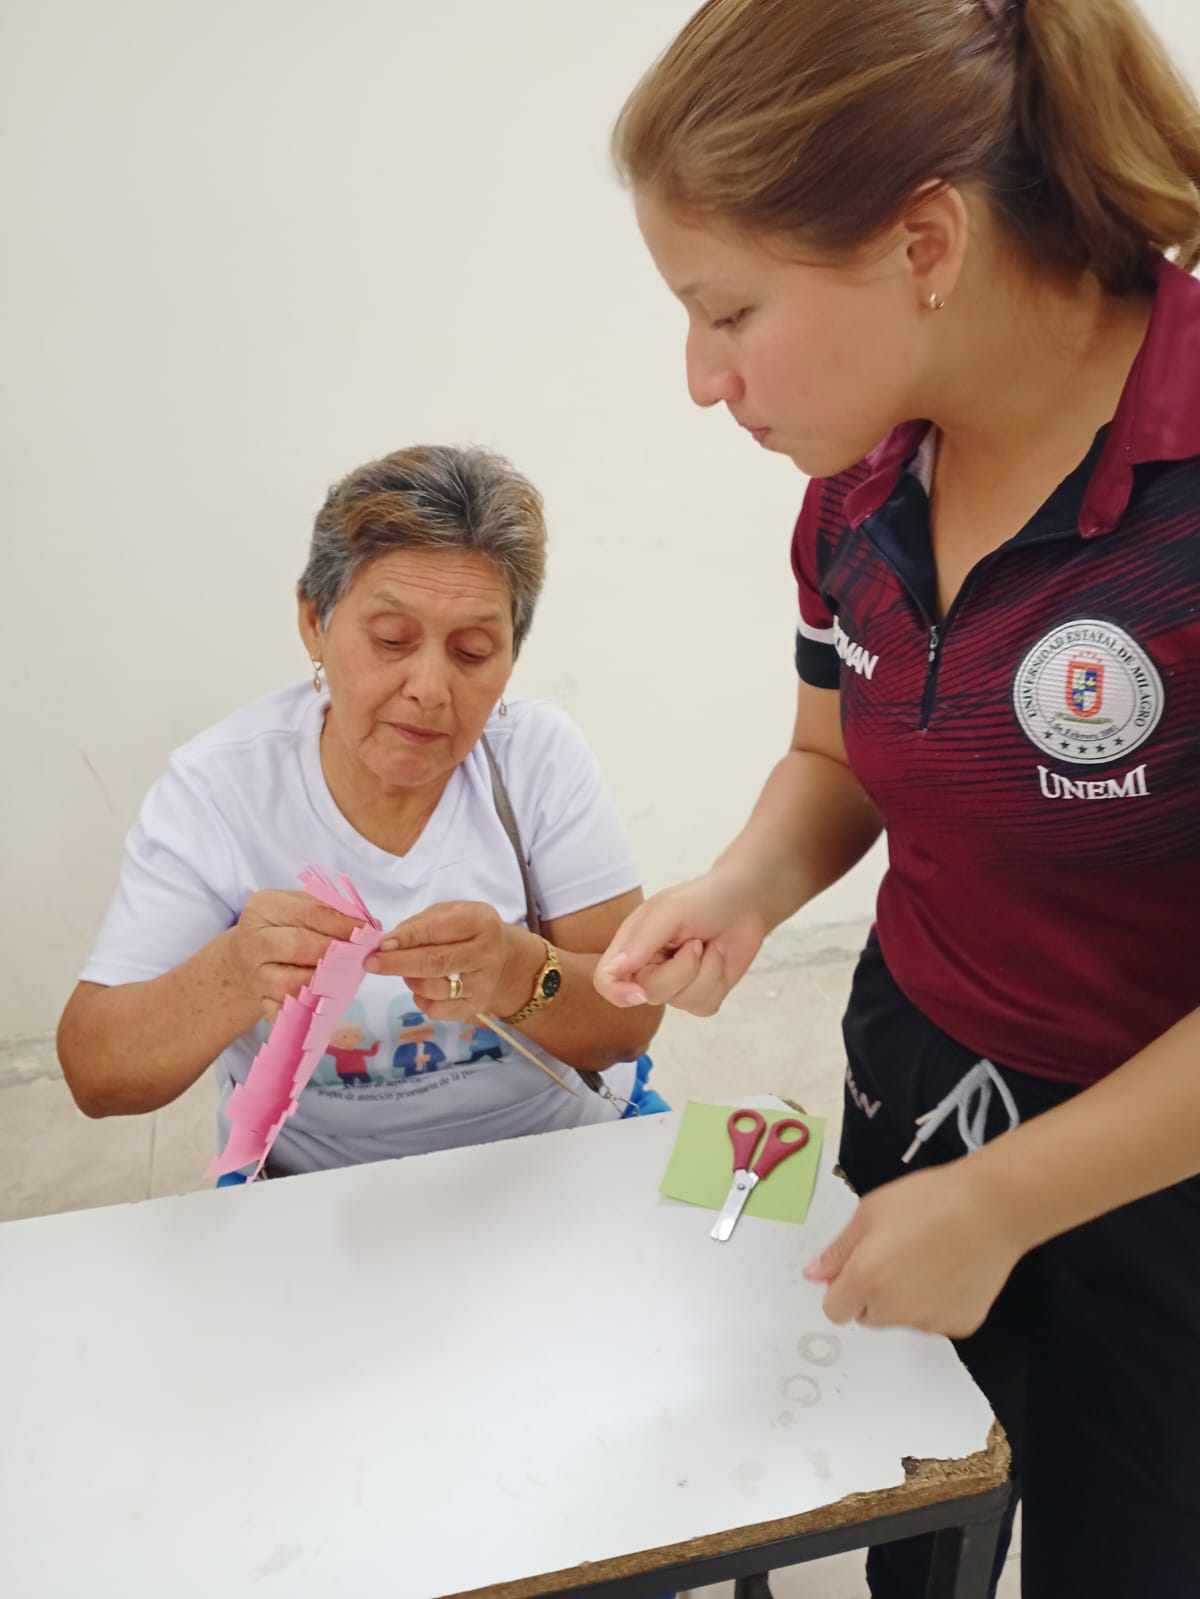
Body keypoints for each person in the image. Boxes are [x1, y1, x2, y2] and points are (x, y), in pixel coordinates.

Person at [593, 1, 1200, 1595]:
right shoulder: (859, 483)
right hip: (920, 1074)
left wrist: (1006, 1200)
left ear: (924, 241)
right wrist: (744, 886)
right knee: (905, 1512)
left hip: (1162, 1160)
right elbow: (836, 752)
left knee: (1134, 1543)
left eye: (727, 310)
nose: (701, 377)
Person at [58, 443, 663, 1174]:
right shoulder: (220, 789)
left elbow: (631, 1024)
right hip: (319, 1186)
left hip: (547, 1155)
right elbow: (97, 1077)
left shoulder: (537, 758)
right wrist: (232, 972)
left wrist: (517, 971)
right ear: (314, 621)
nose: (429, 688)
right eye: (390, 640)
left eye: (473, 652)